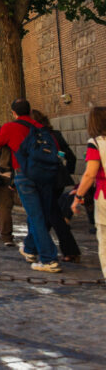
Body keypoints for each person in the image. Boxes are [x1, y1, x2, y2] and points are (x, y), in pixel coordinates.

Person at [0, 99, 61, 273]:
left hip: (23, 174)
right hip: (45, 174)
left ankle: (48, 259)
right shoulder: (40, 126)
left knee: (35, 216)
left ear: (13, 112)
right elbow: (56, 149)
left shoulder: (9, 127)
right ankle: (30, 248)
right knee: (38, 215)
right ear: (29, 111)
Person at [32, 110, 80, 262]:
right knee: (50, 213)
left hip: (45, 179)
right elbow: (70, 157)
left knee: (52, 215)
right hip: (59, 178)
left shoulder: (34, 137)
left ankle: (69, 250)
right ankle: (34, 246)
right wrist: (67, 172)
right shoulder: (55, 135)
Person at [70, 107, 106, 280]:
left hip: (104, 195)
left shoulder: (96, 143)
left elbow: (90, 174)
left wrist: (78, 197)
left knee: (105, 237)